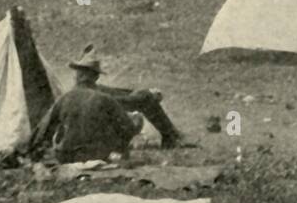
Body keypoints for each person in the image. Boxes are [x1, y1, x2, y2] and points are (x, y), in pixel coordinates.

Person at [30, 45, 189, 161]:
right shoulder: (104, 98)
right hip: (97, 153)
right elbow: (128, 128)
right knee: (142, 104)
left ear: (76, 75)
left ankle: (171, 135)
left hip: (66, 155)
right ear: (96, 76)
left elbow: (43, 130)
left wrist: (34, 151)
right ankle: (171, 136)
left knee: (142, 97)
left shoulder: (65, 98)